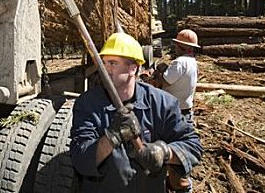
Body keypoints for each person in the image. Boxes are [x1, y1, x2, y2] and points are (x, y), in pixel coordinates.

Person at [70, 32, 202, 193]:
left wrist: (163, 152)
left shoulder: (162, 103)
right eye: (104, 63)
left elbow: (192, 146)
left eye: (113, 63)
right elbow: (80, 159)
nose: (106, 70)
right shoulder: (88, 104)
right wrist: (111, 137)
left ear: (133, 68)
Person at [162, 29, 200, 123]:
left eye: (176, 45)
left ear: (181, 47)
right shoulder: (192, 61)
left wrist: (159, 74)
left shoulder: (179, 62)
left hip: (174, 109)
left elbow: (165, 82)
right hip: (185, 107)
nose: (175, 47)